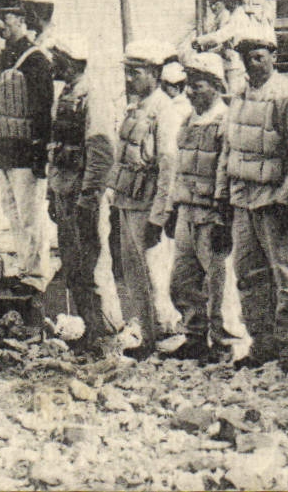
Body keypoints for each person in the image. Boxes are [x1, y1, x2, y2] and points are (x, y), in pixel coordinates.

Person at [217, 22, 288, 371]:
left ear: (273, 57)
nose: (253, 64)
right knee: (248, 273)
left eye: (259, 57)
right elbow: (229, 146)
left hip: (272, 197)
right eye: (246, 58)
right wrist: (223, 192)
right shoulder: (238, 96)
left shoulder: (287, 95)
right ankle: (261, 342)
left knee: (284, 275)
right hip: (242, 196)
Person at [0, 0, 58, 325]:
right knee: (12, 213)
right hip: (4, 150)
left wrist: (40, 156)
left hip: (25, 153)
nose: (1, 25)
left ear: (21, 18)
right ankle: (25, 267)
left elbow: (44, 113)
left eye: (7, 18)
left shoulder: (36, 60)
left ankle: (36, 274)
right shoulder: (4, 58)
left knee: (30, 216)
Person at [108, 38, 183, 360]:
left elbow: (168, 166)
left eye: (135, 72)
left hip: (148, 205)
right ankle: (148, 337)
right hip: (128, 201)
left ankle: (167, 332)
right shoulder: (136, 107)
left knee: (155, 273)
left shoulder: (164, 111)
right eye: (127, 72)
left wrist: (160, 215)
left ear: (153, 73)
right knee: (133, 272)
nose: (129, 79)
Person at [46, 34, 119, 355]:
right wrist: (52, 192)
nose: (53, 64)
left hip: (82, 196)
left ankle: (107, 332)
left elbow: (101, 152)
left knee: (94, 267)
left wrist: (89, 197)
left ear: (73, 62)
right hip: (64, 192)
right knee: (73, 266)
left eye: (58, 59)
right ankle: (91, 330)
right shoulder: (67, 93)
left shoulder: (93, 95)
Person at [167, 54, 233, 363]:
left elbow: (226, 170)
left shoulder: (225, 120)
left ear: (217, 86)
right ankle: (194, 335)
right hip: (186, 210)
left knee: (219, 283)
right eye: (188, 85)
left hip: (211, 212)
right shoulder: (188, 120)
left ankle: (223, 343)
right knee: (183, 278)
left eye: (198, 85)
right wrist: (172, 208)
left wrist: (223, 215)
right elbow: (178, 169)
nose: (190, 92)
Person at [161, 61, 193, 126]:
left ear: (176, 88)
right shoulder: (189, 107)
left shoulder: (171, 109)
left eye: (165, 86)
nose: (162, 90)